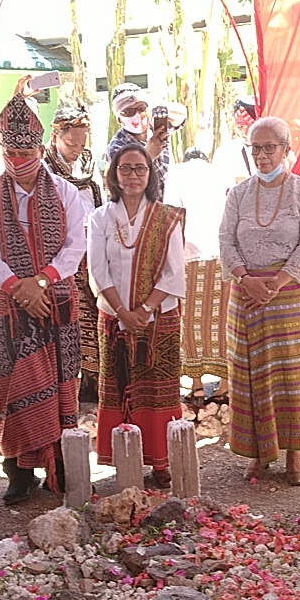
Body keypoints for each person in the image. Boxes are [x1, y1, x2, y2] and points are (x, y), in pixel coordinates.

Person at [0, 92, 87, 505]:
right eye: (10, 152)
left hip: (56, 301)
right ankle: (18, 472)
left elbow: (76, 245)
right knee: (11, 387)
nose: (17, 160)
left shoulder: (66, 192)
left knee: (60, 385)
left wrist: (40, 281)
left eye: (25, 152)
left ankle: (60, 466)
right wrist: (17, 288)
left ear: (41, 149)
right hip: (7, 307)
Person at [218, 116, 300, 485]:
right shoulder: (239, 193)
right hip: (247, 297)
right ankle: (258, 454)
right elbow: (226, 240)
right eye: (255, 148)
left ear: (285, 150)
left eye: (269, 148)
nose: (261, 156)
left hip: (290, 298)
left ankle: (295, 455)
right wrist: (246, 279)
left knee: (292, 377)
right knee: (249, 377)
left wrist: (275, 283)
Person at [88, 144, 186, 487]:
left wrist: (143, 310)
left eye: (139, 169)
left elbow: (174, 273)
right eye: (125, 169)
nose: (132, 176)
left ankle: (161, 463)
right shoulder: (100, 217)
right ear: (114, 173)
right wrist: (121, 312)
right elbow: (98, 271)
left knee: (158, 389)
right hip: (114, 318)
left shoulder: (166, 217)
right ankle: (125, 462)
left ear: (150, 174)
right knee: (119, 386)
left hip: (158, 318)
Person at [43, 104, 104, 402]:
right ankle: (62, 385)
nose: (77, 150)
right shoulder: (41, 174)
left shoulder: (87, 173)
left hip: (88, 259)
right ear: (55, 136)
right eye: (71, 143)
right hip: (58, 262)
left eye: (82, 144)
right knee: (65, 320)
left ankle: (91, 383)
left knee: (90, 318)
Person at [164, 147, 230, 405]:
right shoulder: (219, 173)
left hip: (188, 255)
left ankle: (197, 387)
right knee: (221, 321)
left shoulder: (176, 173)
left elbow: (172, 216)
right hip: (222, 256)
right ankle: (225, 387)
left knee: (189, 321)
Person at [104, 84, 171, 193]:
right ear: (119, 120)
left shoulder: (158, 128)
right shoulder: (116, 147)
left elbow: (181, 116)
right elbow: (124, 188)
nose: (138, 115)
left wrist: (167, 110)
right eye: (128, 112)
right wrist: (148, 155)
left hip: (168, 204)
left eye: (141, 108)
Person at [211, 96, 259, 189]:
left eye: (250, 127)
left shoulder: (275, 152)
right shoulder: (225, 153)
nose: (244, 132)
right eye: (240, 126)